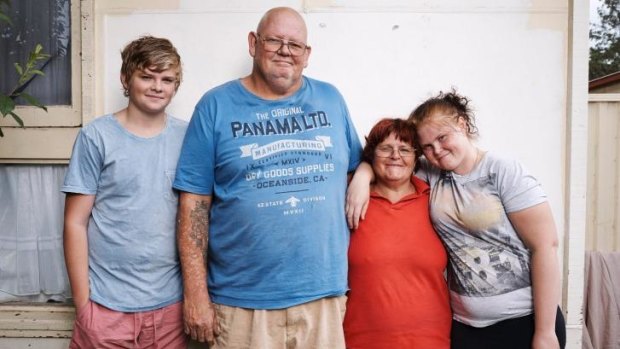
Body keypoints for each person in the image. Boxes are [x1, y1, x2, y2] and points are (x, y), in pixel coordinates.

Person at [173, 7, 362, 349]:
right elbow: (193, 205)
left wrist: (363, 175)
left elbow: (356, 164)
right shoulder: (215, 106)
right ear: (253, 43)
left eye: (295, 44)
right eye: (274, 40)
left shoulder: (331, 99)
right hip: (241, 303)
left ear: (307, 55)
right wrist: (196, 295)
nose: (285, 50)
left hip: (321, 297)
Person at [346, 90, 566, 349]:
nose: (437, 150)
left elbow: (545, 246)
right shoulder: (433, 175)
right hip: (466, 326)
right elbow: (392, 162)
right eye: (427, 146)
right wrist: (362, 173)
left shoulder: (503, 170)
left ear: (462, 124)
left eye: (442, 137)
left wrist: (545, 331)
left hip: (522, 320)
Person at [62, 36, 188, 348]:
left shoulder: (188, 137)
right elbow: (75, 222)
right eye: (147, 76)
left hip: (171, 309)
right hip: (106, 308)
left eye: (167, 79)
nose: (157, 86)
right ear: (125, 78)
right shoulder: (96, 137)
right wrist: (84, 306)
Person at [343, 118, 451, 348]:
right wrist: (361, 176)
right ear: (371, 155)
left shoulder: (435, 199)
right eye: (385, 149)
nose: (395, 155)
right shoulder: (351, 200)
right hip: (360, 341)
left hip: (432, 340)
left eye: (404, 149)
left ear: (416, 158)